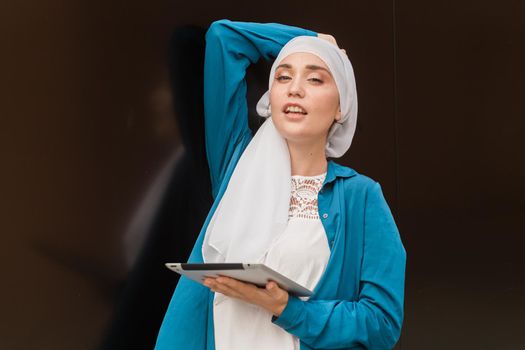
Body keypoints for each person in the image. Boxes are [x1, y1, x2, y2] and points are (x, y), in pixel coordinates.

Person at [155, 19, 406, 350]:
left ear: (341, 107)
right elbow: (223, 38)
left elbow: (382, 323)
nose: (295, 88)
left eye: (315, 79)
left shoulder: (360, 197)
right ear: (270, 98)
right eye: (283, 77)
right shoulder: (237, 167)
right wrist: (310, 38)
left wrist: (286, 308)